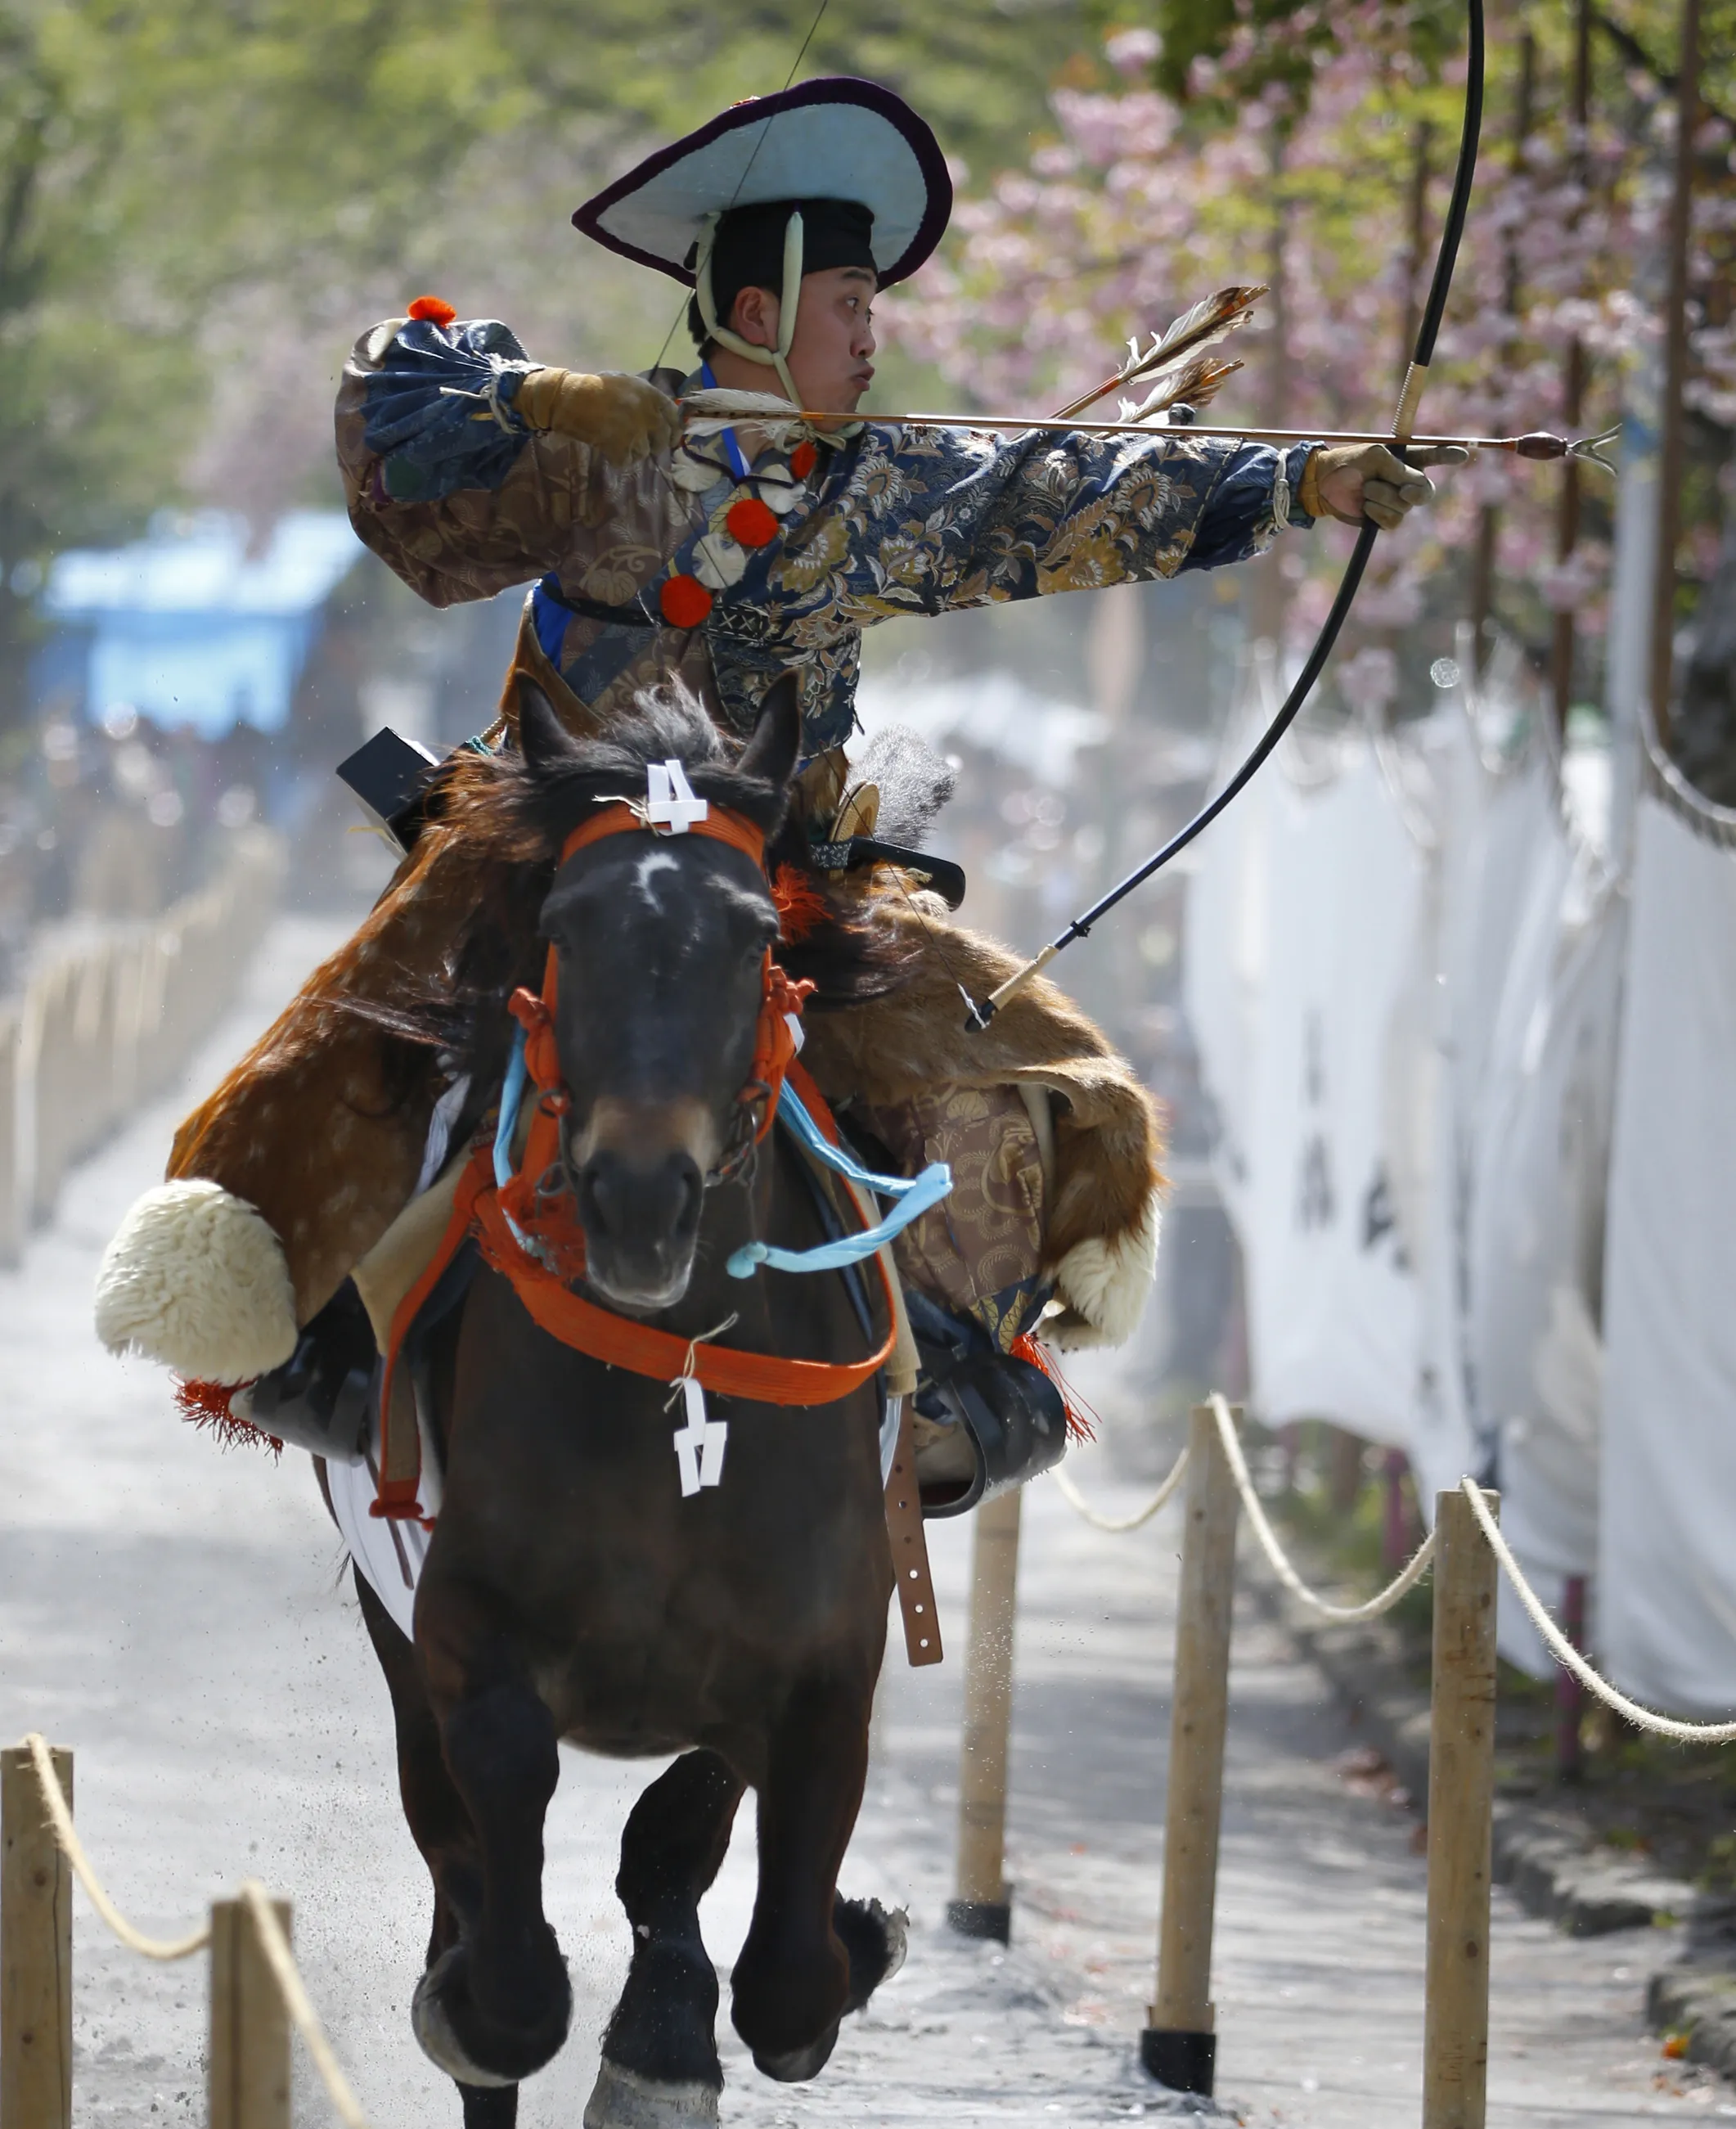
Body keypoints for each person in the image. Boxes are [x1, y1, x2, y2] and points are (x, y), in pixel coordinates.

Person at [95, 76, 1455, 1506]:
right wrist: (540, 395)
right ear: (755, 311)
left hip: (784, 872)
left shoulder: (878, 484)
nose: (872, 336)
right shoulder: (602, 452)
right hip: (548, 850)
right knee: (366, 1023)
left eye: (873, 308)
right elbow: (396, 411)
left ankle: (963, 1372)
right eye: (848, 305)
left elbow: (1062, 493)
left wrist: (1304, 483)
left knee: (1023, 1067)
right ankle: (292, 1331)